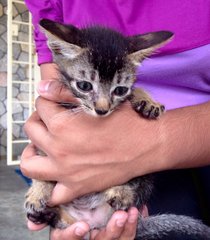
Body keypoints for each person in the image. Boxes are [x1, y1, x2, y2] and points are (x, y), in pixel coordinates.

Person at [21, 0, 210, 239]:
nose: (102, 106)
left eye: (118, 91)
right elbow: (57, 118)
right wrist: (49, 171)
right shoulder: (56, 17)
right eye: (85, 86)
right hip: (88, 186)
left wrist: (151, 137)